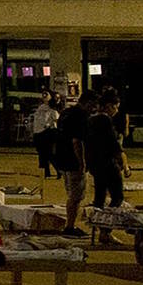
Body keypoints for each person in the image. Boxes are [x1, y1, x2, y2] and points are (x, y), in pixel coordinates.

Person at [84, 88, 130, 242]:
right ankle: (105, 230)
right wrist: (124, 164)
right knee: (117, 197)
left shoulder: (91, 119)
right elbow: (113, 145)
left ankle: (97, 231)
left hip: (95, 164)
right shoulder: (105, 120)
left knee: (100, 197)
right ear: (109, 106)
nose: (116, 111)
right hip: (108, 164)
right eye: (115, 107)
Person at [54, 87, 94, 237]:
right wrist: (82, 163)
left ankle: (70, 226)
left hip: (63, 159)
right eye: (92, 105)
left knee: (71, 194)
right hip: (73, 161)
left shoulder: (66, 113)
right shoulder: (81, 116)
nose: (93, 109)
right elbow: (77, 141)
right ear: (87, 103)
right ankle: (70, 227)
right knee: (76, 197)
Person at [30, 89, 62, 178]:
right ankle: (46, 172)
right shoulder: (43, 108)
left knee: (48, 154)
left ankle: (56, 171)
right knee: (44, 154)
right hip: (40, 133)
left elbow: (56, 121)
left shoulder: (51, 109)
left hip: (45, 133)